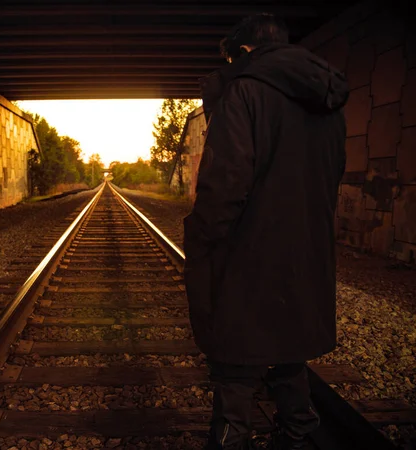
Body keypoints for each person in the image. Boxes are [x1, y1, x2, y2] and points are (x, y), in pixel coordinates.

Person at [183, 13, 348, 450]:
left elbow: (225, 186)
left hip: (249, 251)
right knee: (289, 352)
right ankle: (298, 431)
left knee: (236, 362)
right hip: (307, 249)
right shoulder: (326, 99)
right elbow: (332, 174)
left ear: (244, 51)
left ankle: (232, 438)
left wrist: (200, 240)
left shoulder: (245, 91)